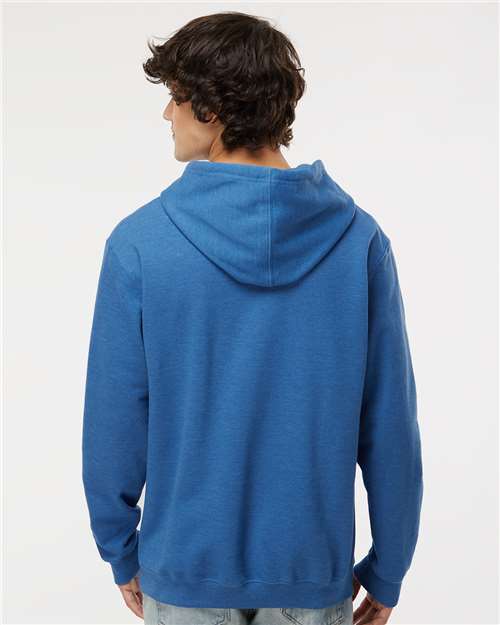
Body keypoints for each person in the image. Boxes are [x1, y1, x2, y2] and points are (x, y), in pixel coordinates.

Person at [81, 11, 424, 625]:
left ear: (211, 110)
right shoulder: (359, 244)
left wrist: (119, 548)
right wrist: (389, 565)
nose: (167, 114)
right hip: (310, 571)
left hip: (183, 569)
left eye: (176, 98)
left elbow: (115, 419)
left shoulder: (139, 245)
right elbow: (390, 425)